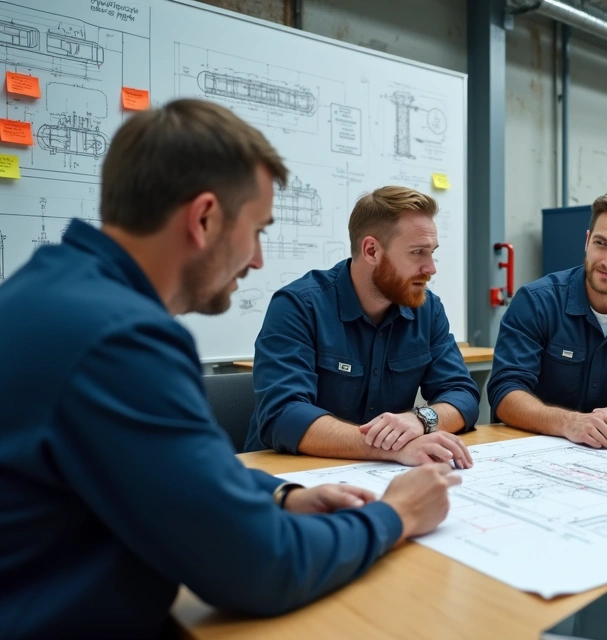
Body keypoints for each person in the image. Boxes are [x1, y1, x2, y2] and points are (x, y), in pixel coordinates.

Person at [0, 99, 462, 637]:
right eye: (258, 230)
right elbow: (260, 567)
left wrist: (280, 494)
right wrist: (396, 515)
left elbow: (174, 473)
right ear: (203, 219)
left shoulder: (56, 289)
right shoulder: (120, 339)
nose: (259, 259)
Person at [247, 186, 476, 469]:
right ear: (371, 250)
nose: (430, 268)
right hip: (292, 477)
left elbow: (462, 394)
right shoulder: (298, 306)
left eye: (432, 253)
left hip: (380, 474)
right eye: (417, 252)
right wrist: (390, 448)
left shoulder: (427, 309)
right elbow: (283, 415)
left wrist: (421, 420)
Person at [488, 189, 607, 449]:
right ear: (587, 241)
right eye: (601, 243)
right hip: (537, 448)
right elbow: (505, 392)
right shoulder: (536, 301)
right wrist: (568, 422)